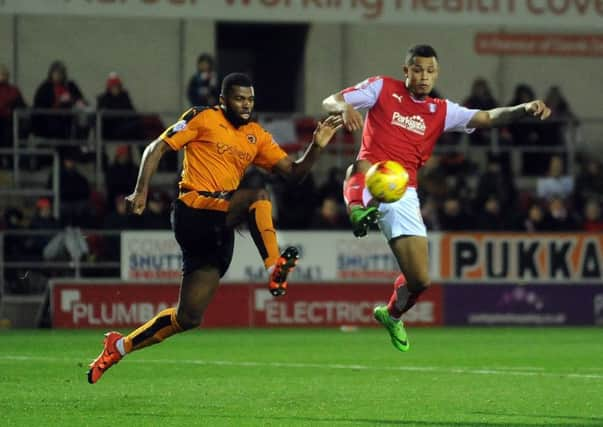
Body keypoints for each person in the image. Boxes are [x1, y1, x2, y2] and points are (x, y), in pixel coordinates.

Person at [87, 72, 342, 383]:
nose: (246, 105)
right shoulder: (202, 117)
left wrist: (316, 146)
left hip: (219, 224)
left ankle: (119, 346)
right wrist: (141, 190)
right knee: (257, 197)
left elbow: (294, 173)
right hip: (193, 211)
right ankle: (274, 265)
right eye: (239, 99)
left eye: (250, 99)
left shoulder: (255, 135)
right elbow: (156, 148)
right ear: (223, 101)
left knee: (189, 316)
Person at [322, 44, 551, 352]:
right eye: (417, 70)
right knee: (360, 166)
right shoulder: (381, 88)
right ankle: (357, 213)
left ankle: (391, 315)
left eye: (430, 71)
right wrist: (344, 107)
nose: (423, 76)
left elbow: (487, 117)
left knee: (420, 281)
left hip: (403, 193)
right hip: (373, 174)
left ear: (436, 74)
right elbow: (331, 100)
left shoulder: (441, 111)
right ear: (406, 70)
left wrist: (524, 109)